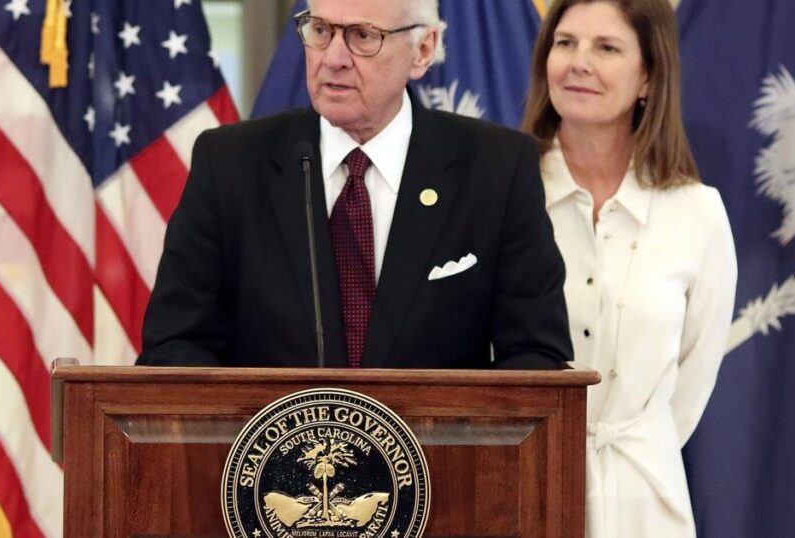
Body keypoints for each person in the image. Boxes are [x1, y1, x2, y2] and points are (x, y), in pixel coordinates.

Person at [137, 0, 572, 369]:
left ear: (423, 50)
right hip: (270, 443)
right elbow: (173, 347)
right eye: (321, 31)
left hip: (436, 446)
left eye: (363, 36)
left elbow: (536, 356)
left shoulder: (496, 168)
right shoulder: (230, 163)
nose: (333, 58)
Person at [522, 0, 737, 536]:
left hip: (646, 504)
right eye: (565, 43)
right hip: (523, 491)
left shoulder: (698, 212)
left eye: (607, 48)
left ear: (648, 78)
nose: (579, 62)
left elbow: (692, 382)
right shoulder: (504, 192)